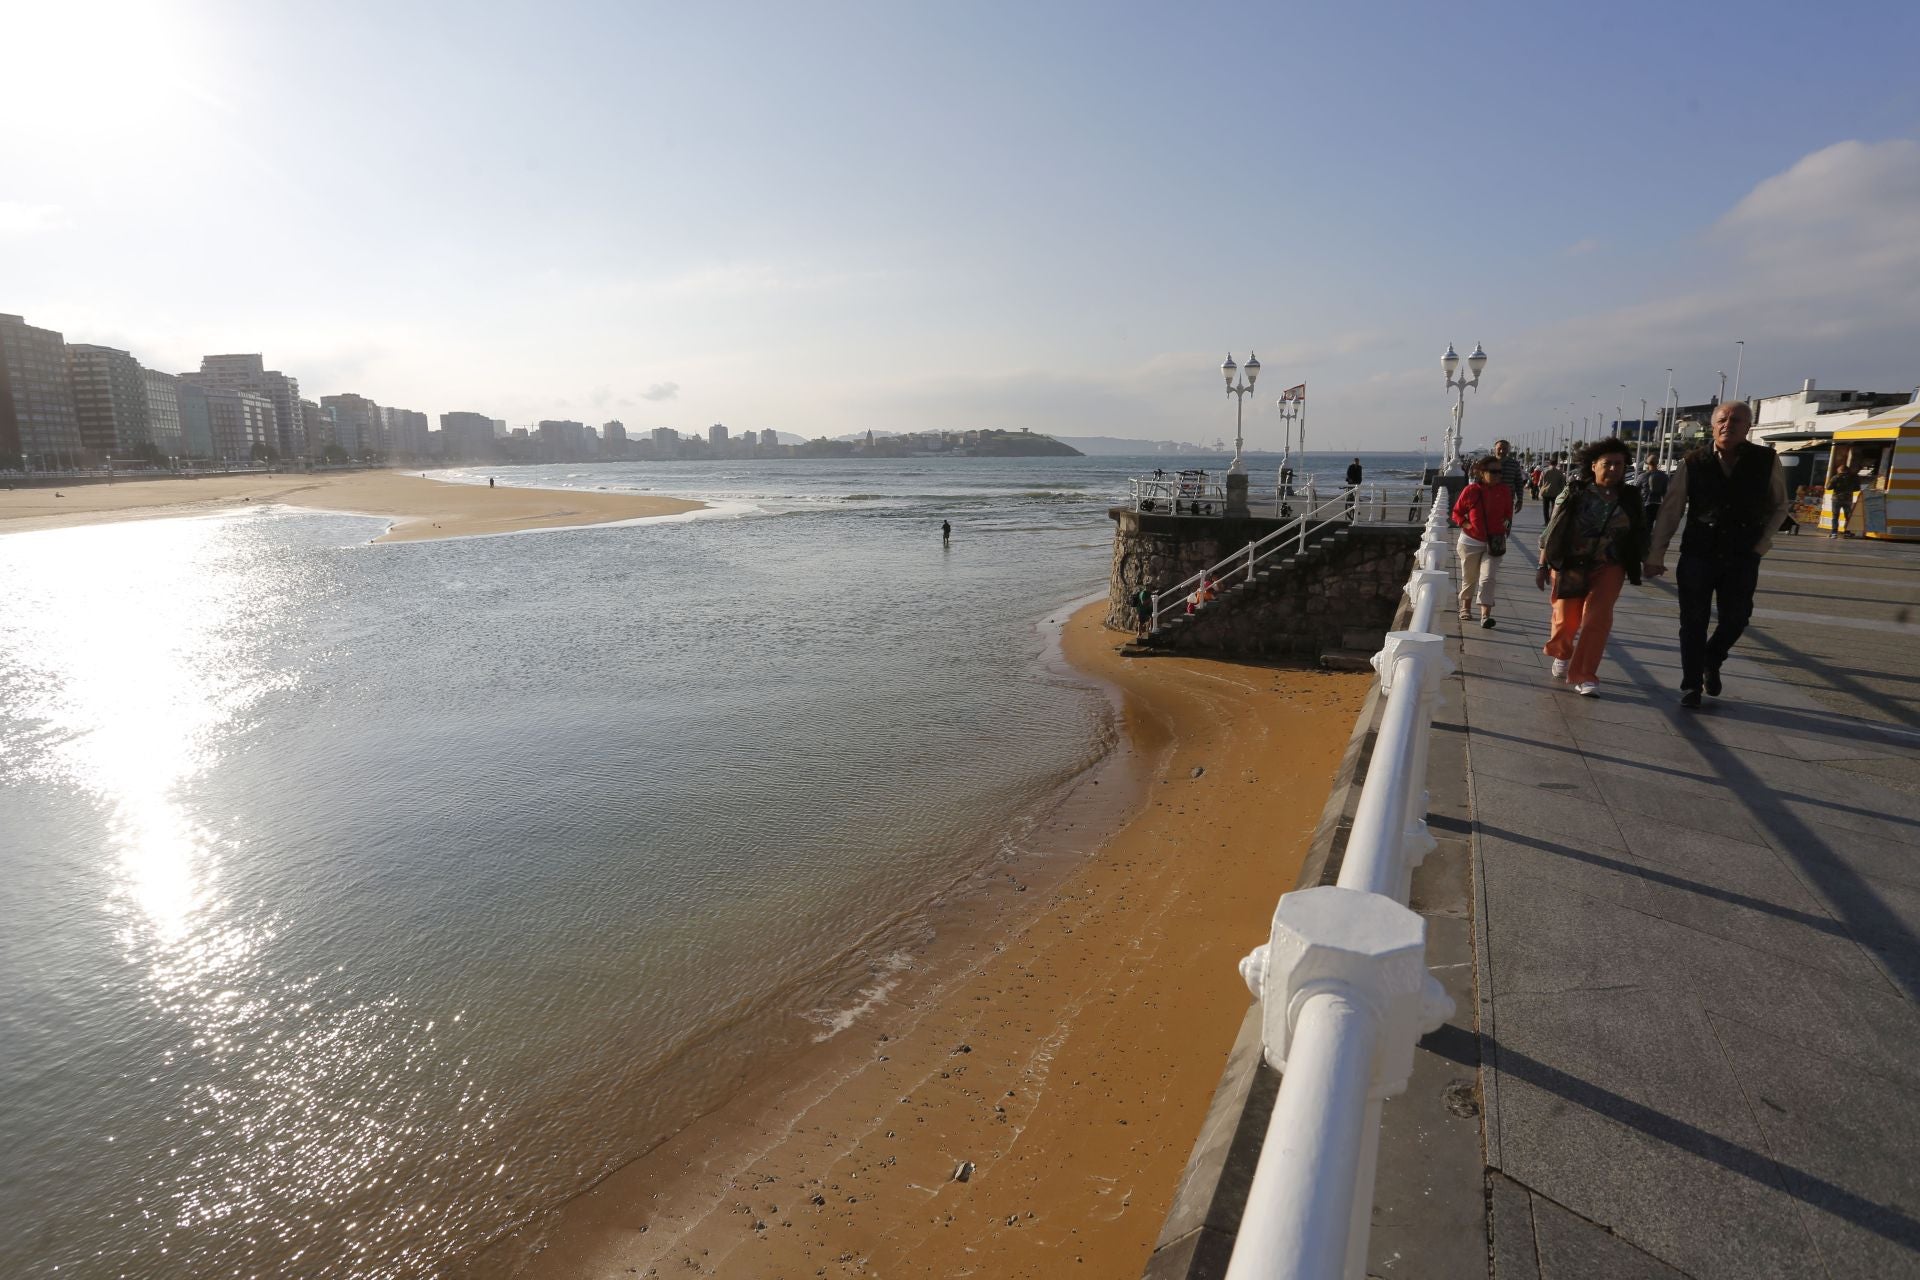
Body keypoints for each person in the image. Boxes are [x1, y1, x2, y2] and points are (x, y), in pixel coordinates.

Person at [1644, 401, 1789, 708]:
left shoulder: (1766, 459)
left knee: (1737, 618)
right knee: (1693, 621)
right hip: (1699, 553)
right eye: (1722, 419)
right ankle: (1691, 685)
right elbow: (1671, 510)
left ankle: (1713, 657)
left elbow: (1780, 505)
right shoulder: (1693, 461)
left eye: (1736, 420)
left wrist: (1762, 543)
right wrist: (1656, 555)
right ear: (1712, 425)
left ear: (1748, 427)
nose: (1728, 425)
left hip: (1742, 554)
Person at [1535, 438, 1647, 697]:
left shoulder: (1630, 497)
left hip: (1610, 565)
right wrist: (1542, 565)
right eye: (1607, 464)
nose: (1614, 469)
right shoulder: (1574, 491)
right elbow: (1551, 530)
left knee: (1597, 619)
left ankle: (1585, 674)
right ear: (1593, 465)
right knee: (1566, 619)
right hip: (1572, 563)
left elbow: (1640, 530)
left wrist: (1650, 559)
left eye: (1619, 464)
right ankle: (1562, 652)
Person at [1452, 455, 1514, 629]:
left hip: (1494, 543)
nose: (1497, 475)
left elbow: (1508, 513)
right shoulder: (1471, 490)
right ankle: (1465, 608)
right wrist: (1466, 524)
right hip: (1470, 541)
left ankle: (1485, 616)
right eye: (1493, 471)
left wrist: (1506, 527)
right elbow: (1456, 513)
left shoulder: (1504, 490)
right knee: (1469, 577)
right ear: (1481, 472)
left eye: (1499, 472)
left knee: (1488, 578)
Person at [1494, 439, 1525, 514]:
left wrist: (1520, 500)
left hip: (1507, 501)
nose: (1501, 451)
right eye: (1499, 449)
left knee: (1506, 524)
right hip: (1490, 500)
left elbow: (1519, 483)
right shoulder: (1489, 463)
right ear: (1494, 449)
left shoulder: (1514, 464)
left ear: (1508, 450)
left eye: (1504, 449)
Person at [1826, 466, 1858, 539]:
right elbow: (1857, 488)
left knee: (1835, 516)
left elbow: (1828, 488)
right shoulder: (1852, 478)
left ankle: (1834, 533)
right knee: (1848, 516)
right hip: (1848, 500)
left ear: (1840, 470)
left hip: (1836, 499)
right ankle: (1847, 532)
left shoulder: (1836, 477)